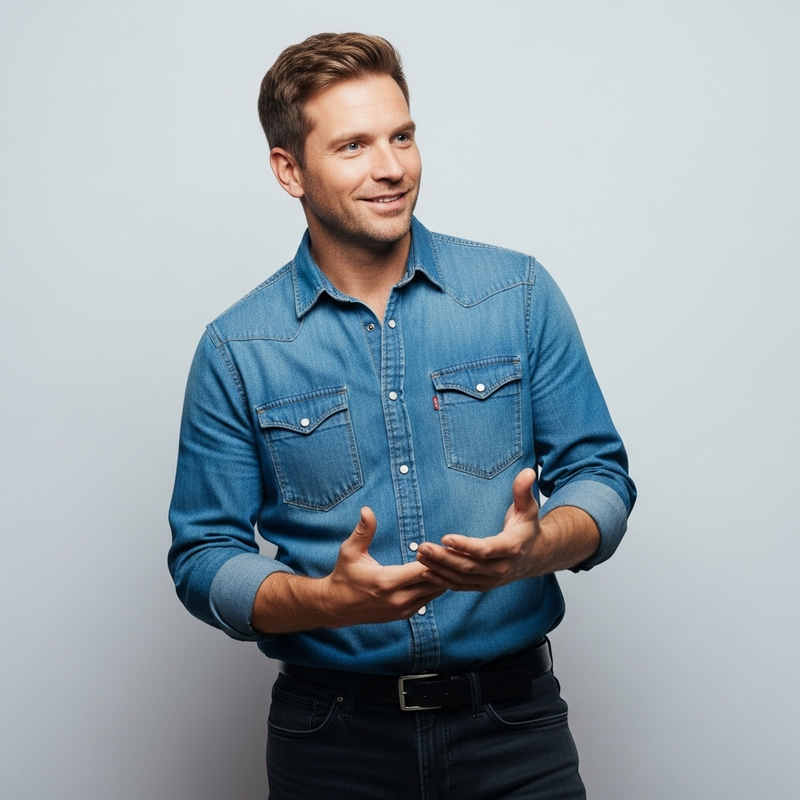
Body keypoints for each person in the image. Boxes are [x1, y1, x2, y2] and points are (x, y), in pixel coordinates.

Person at [168, 32, 636, 799]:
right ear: (290, 170)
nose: (391, 168)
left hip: (514, 726)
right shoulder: (238, 347)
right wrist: (325, 602)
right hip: (333, 744)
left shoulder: (516, 295)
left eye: (402, 136)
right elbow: (202, 556)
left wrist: (536, 550)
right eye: (353, 145)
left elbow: (601, 476)